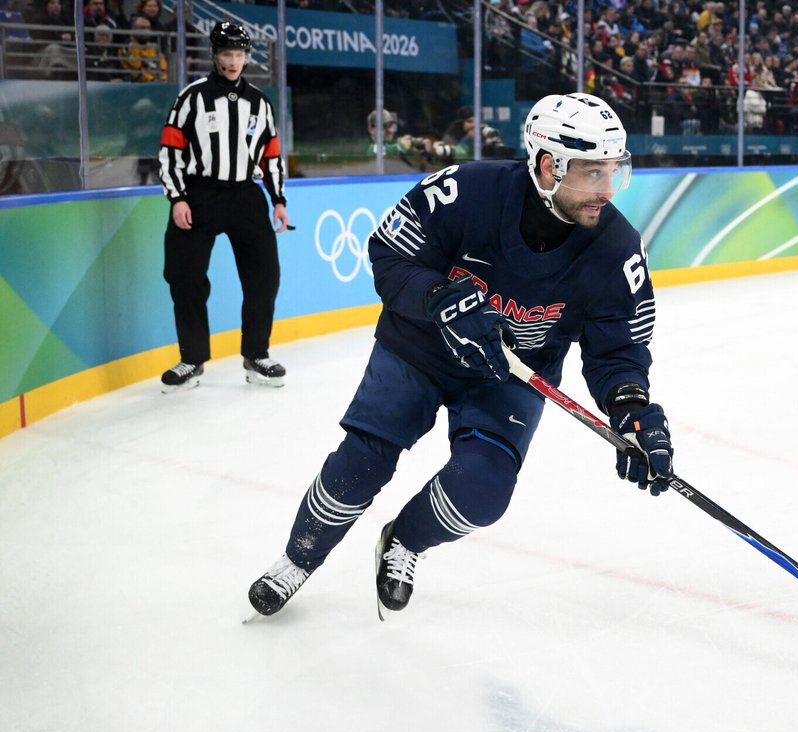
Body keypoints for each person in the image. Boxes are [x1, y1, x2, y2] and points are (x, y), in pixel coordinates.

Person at [246, 92, 674, 619]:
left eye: (614, 171)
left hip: (510, 375)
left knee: (483, 491)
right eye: (592, 173)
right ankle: (297, 559)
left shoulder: (617, 248)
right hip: (419, 349)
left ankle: (404, 540)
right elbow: (390, 254)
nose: (607, 190)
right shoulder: (468, 190)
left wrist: (631, 408)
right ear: (548, 165)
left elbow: (619, 348)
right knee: (361, 463)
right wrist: (438, 299)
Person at [157, 21, 290, 391]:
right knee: (184, 276)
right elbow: (170, 151)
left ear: (246, 57)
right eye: (227, 54)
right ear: (215, 55)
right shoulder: (192, 98)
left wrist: (278, 200)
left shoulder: (259, 103)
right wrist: (178, 198)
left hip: (245, 196)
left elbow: (271, 155)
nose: (233, 61)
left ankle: (256, 354)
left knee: (264, 275)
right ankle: (192, 359)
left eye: (239, 54)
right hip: (199, 195)